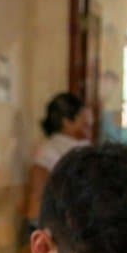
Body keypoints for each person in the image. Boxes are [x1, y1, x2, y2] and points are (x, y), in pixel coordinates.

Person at [24, 92, 93, 228]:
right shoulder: (47, 152)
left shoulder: (84, 146)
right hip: (56, 226)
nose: (89, 123)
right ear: (67, 122)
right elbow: (37, 197)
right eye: (83, 119)